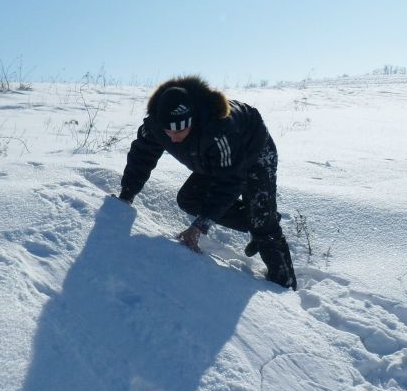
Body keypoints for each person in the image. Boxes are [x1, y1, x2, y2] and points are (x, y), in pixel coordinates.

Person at [118, 75, 297, 290]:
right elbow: (142, 155)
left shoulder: (218, 129)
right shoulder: (156, 124)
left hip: (254, 150)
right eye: (169, 132)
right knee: (190, 200)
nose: (174, 138)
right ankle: (257, 219)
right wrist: (127, 195)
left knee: (263, 223)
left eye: (180, 131)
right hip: (212, 158)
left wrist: (199, 227)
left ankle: (285, 287)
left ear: (192, 121)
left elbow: (229, 181)